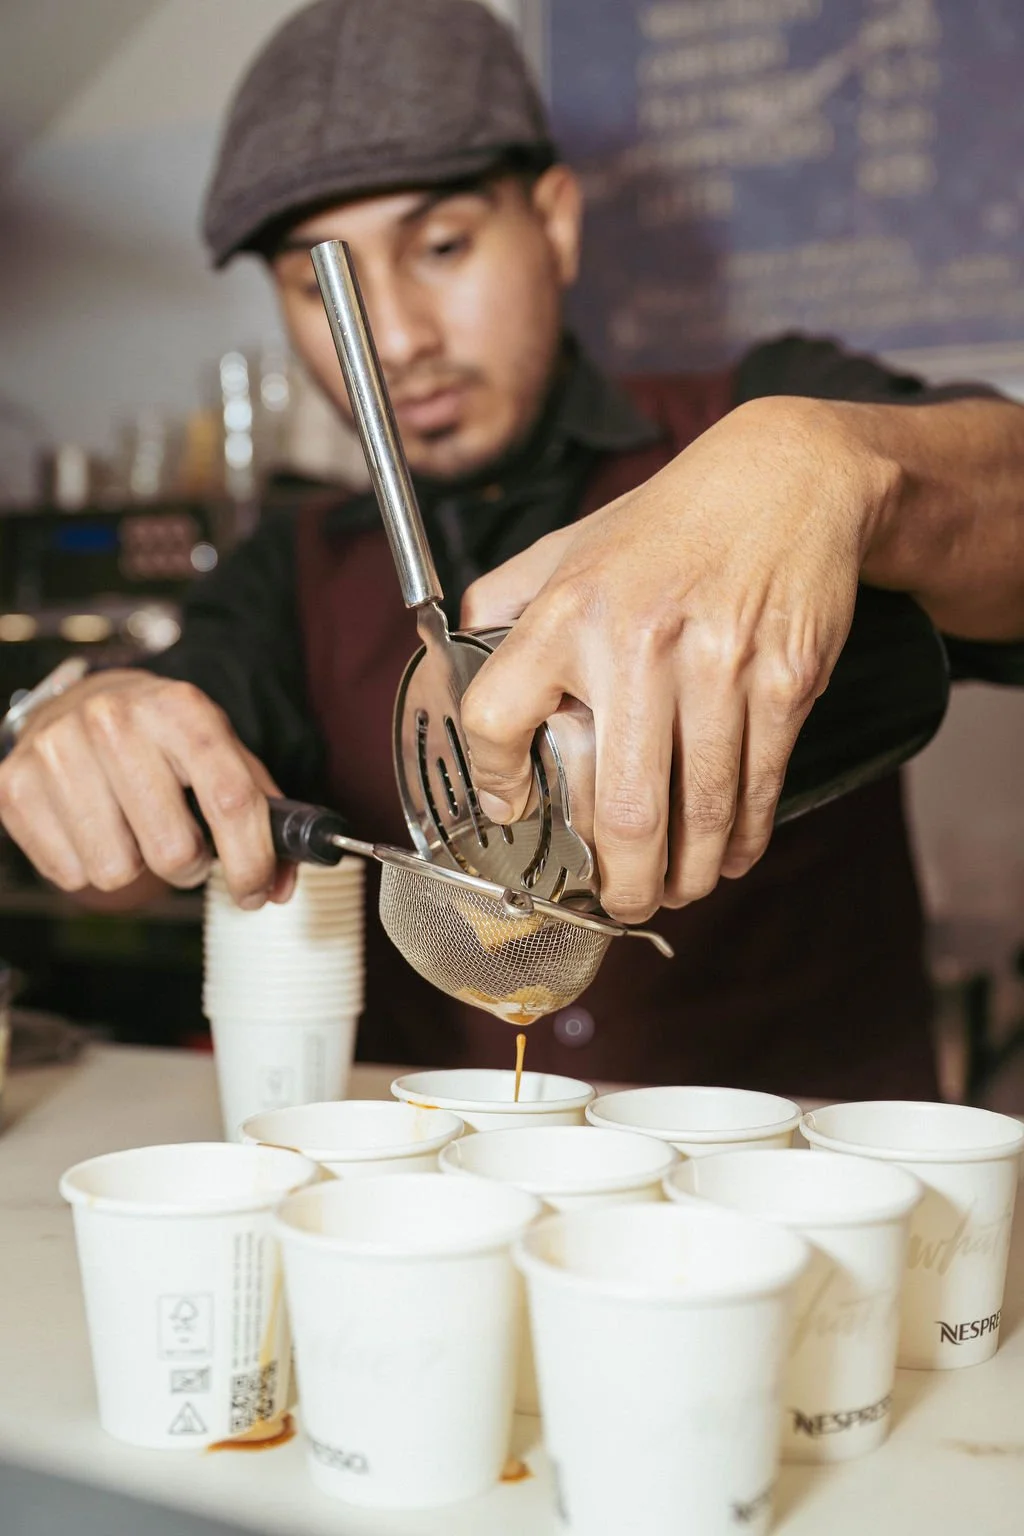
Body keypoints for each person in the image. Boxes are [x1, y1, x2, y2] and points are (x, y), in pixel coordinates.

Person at [2, 0, 1023, 1097]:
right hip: (451, 1188)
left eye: (442, 247)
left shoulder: (761, 417)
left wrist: (838, 465)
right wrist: (77, 728)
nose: (400, 338)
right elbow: (140, 823)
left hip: (794, 1181)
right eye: (317, 284)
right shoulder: (287, 571)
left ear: (554, 223)